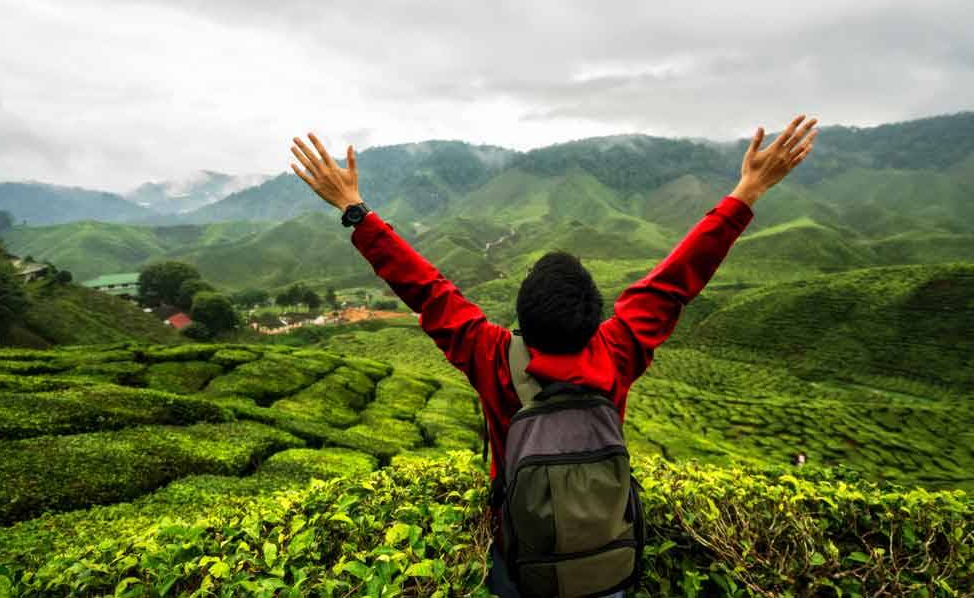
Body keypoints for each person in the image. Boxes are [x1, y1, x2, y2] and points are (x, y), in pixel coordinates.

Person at [288, 114, 818, 597]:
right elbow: (678, 279)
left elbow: (426, 289)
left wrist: (354, 210)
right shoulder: (619, 349)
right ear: (596, 315)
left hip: (525, 564)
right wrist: (747, 191)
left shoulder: (493, 355)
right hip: (607, 562)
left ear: (520, 317)